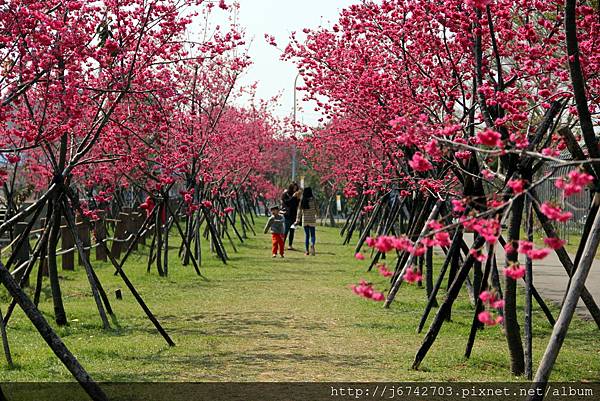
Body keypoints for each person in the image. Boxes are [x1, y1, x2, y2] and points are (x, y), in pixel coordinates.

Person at [296, 187, 318, 256]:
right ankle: (312, 244)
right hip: (312, 219)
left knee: (307, 236)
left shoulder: (302, 200)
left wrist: (298, 219)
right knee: (313, 235)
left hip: (305, 219)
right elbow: (317, 208)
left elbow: (299, 210)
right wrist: (317, 214)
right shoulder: (313, 200)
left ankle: (307, 251)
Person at [281, 182, 302, 250]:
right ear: (291, 187)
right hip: (287, 215)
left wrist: (298, 198)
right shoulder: (285, 194)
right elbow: (287, 203)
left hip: (293, 215)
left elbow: (296, 205)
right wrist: (293, 197)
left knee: (292, 231)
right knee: (286, 231)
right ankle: (282, 244)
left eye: (296, 188)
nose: (295, 189)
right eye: (294, 188)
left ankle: (290, 245)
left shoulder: (296, 195)